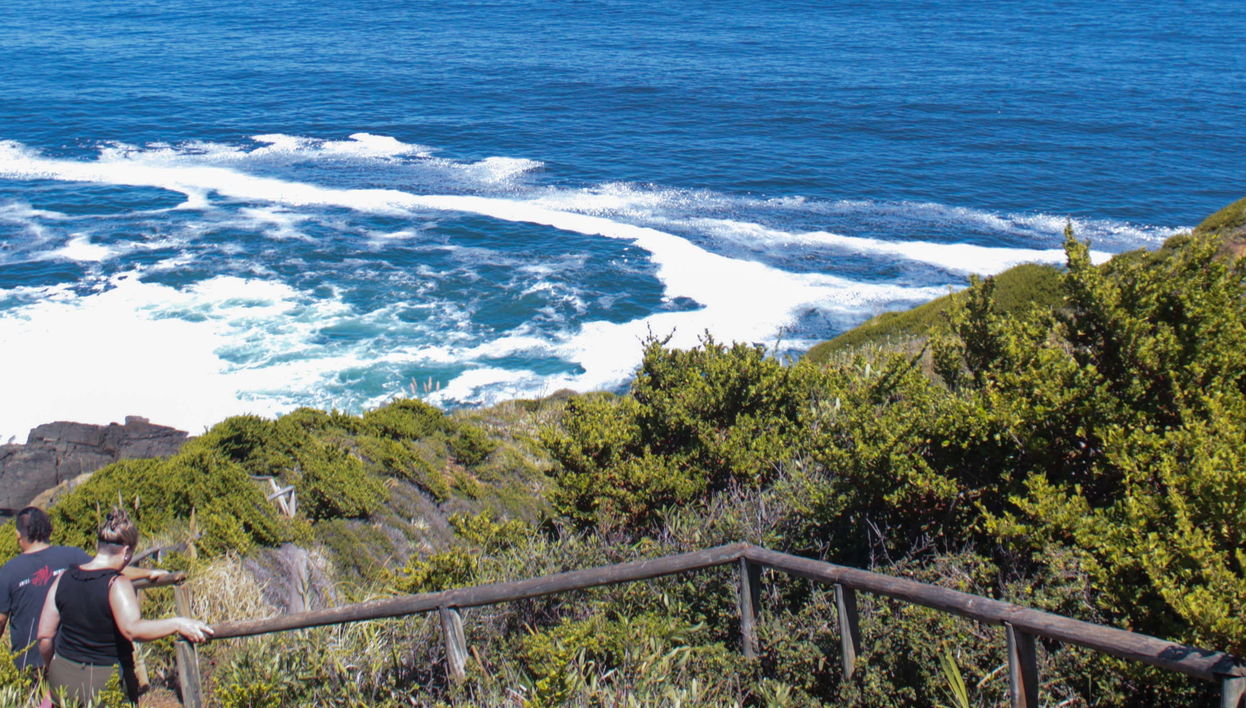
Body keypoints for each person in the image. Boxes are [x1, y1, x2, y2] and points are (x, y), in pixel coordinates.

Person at [36, 509, 212, 706]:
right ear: (127, 551)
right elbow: (132, 629)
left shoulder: (63, 578)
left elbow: (44, 636)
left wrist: (53, 666)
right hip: (105, 680)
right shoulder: (116, 584)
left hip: (62, 675)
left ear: (99, 545)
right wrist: (178, 624)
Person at [0, 507, 168, 671]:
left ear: (18, 535)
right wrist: (148, 573)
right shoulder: (71, 556)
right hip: (69, 660)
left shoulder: (8, 571)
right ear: (48, 530)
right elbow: (108, 569)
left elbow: (1, 620)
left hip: (28, 663)